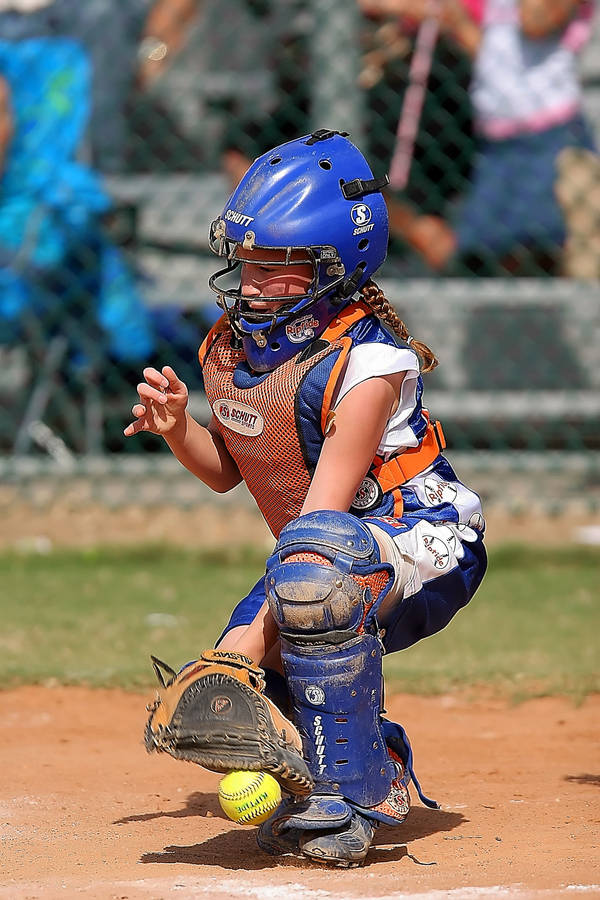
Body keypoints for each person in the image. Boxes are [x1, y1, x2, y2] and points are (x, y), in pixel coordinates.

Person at [126, 130, 487, 867]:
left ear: (334, 267)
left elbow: (321, 519)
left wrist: (234, 652)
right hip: (334, 542)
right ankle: (331, 769)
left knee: (309, 586)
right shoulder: (238, 347)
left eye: (276, 266)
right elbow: (229, 470)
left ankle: (357, 792)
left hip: (425, 535)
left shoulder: (368, 362)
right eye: (246, 261)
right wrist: (177, 428)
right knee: (298, 593)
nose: (251, 280)